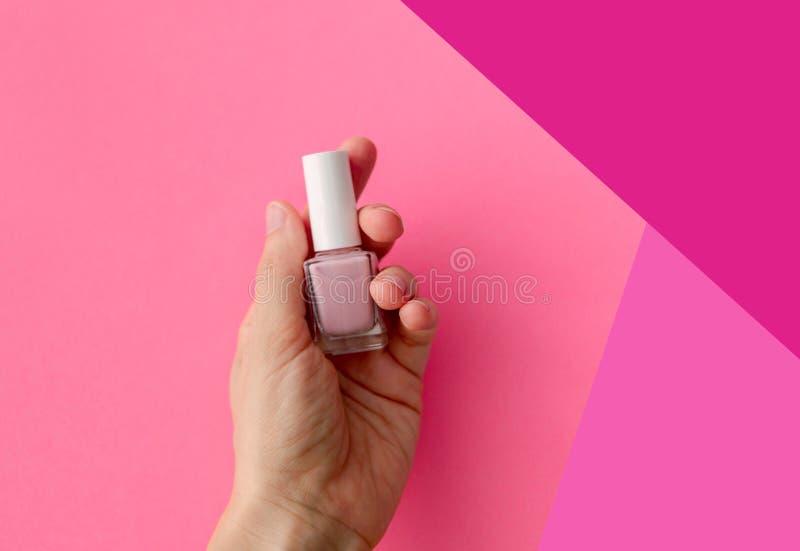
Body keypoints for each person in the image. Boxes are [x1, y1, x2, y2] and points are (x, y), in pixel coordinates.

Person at [208, 137, 438, 550]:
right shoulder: (315, 266)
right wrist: (289, 502)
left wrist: (294, 511)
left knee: (389, 288)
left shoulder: (347, 260)